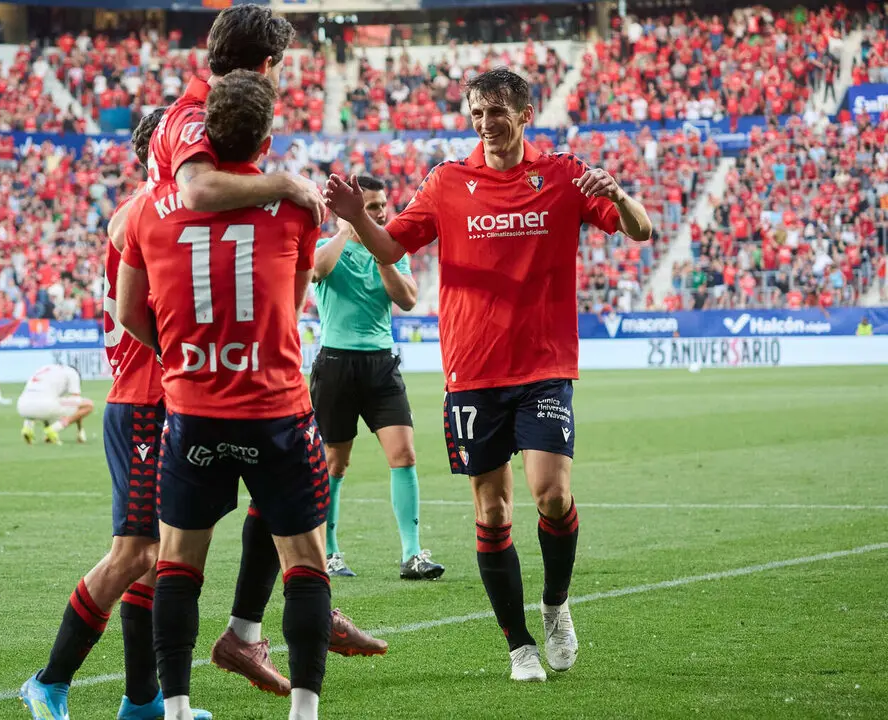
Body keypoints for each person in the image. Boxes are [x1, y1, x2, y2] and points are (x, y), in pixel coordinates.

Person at [324, 68, 653, 682]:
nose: (484, 121)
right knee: (494, 511)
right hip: (472, 372)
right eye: (475, 111)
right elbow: (393, 247)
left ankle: (555, 607)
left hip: (544, 365)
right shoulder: (448, 181)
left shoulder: (562, 175)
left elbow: (640, 229)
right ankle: (519, 643)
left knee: (552, 496)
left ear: (525, 112)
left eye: (496, 109)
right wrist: (354, 217)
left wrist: (623, 195)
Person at [143, 5, 384, 696]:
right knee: (147, 550)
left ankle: (242, 639)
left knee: (245, 513)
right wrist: (289, 187)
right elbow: (195, 190)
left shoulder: (209, 119)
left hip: (207, 362)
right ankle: (157, 689)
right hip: (216, 368)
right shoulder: (192, 117)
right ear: (266, 65)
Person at [118, 69, 332, 720]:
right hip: (276, 408)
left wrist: (186, 355)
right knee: (305, 559)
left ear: (202, 134)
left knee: (179, 561)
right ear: (266, 137)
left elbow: (131, 312)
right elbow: (293, 306)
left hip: (193, 409)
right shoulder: (295, 206)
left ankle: (177, 708)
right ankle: (304, 710)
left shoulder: (146, 210)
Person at [19, 109, 212, 720]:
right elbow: (155, 313)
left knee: (154, 558)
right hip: (142, 401)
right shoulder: (144, 213)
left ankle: (143, 702)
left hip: (168, 398)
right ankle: (49, 681)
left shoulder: (155, 208)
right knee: (133, 553)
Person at [310, 176, 444, 581]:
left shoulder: (391, 251)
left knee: (403, 454)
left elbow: (406, 299)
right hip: (336, 363)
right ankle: (329, 552)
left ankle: (411, 554)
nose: (382, 212)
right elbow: (317, 271)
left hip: (381, 364)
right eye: (371, 207)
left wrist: (377, 246)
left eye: (383, 205)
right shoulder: (326, 247)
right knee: (335, 462)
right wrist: (347, 229)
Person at [17, 363, 94, 446]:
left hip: (22, 406)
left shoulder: (46, 368)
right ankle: (54, 429)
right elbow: (77, 403)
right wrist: (80, 430)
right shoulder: (72, 373)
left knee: (47, 402)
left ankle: (27, 428)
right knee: (88, 405)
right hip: (44, 406)